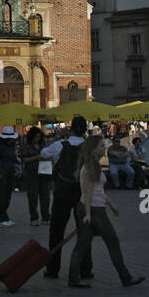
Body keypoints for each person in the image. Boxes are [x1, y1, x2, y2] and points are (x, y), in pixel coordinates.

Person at [67, 136, 145, 289]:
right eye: (101, 146)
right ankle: (126, 277)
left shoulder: (93, 165)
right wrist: (88, 214)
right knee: (112, 242)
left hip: (93, 207)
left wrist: (111, 205)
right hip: (94, 209)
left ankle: (73, 278)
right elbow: (87, 192)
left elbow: (98, 191)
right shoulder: (89, 167)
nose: (104, 148)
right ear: (93, 149)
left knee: (82, 245)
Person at [42, 115, 90, 280]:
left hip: (62, 191)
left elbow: (44, 153)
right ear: (85, 130)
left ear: (71, 128)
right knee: (84, 231)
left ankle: (53, 269)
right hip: (82, 193)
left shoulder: (59, 145)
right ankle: (86, 269)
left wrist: (57, 136)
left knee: (56, 231)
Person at [0, 126, 20, 226]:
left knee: (7, 195)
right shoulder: (0, 147)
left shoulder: (11, 147)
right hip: (1, 172)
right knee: (2, 195)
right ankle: (2, 218)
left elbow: (13, 159)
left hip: (9, 172)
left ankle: (4, 216)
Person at [20, 127, 51, 227]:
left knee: (45, 196)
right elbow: (24, 160)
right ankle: (34, 217)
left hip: (44, 172)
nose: (37, 139)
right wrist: (36, 157)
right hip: (32, 173)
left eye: (39, 137)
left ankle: (45, 217)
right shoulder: (26, 146)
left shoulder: (43, 145)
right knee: (33, 196)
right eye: (35, 137)